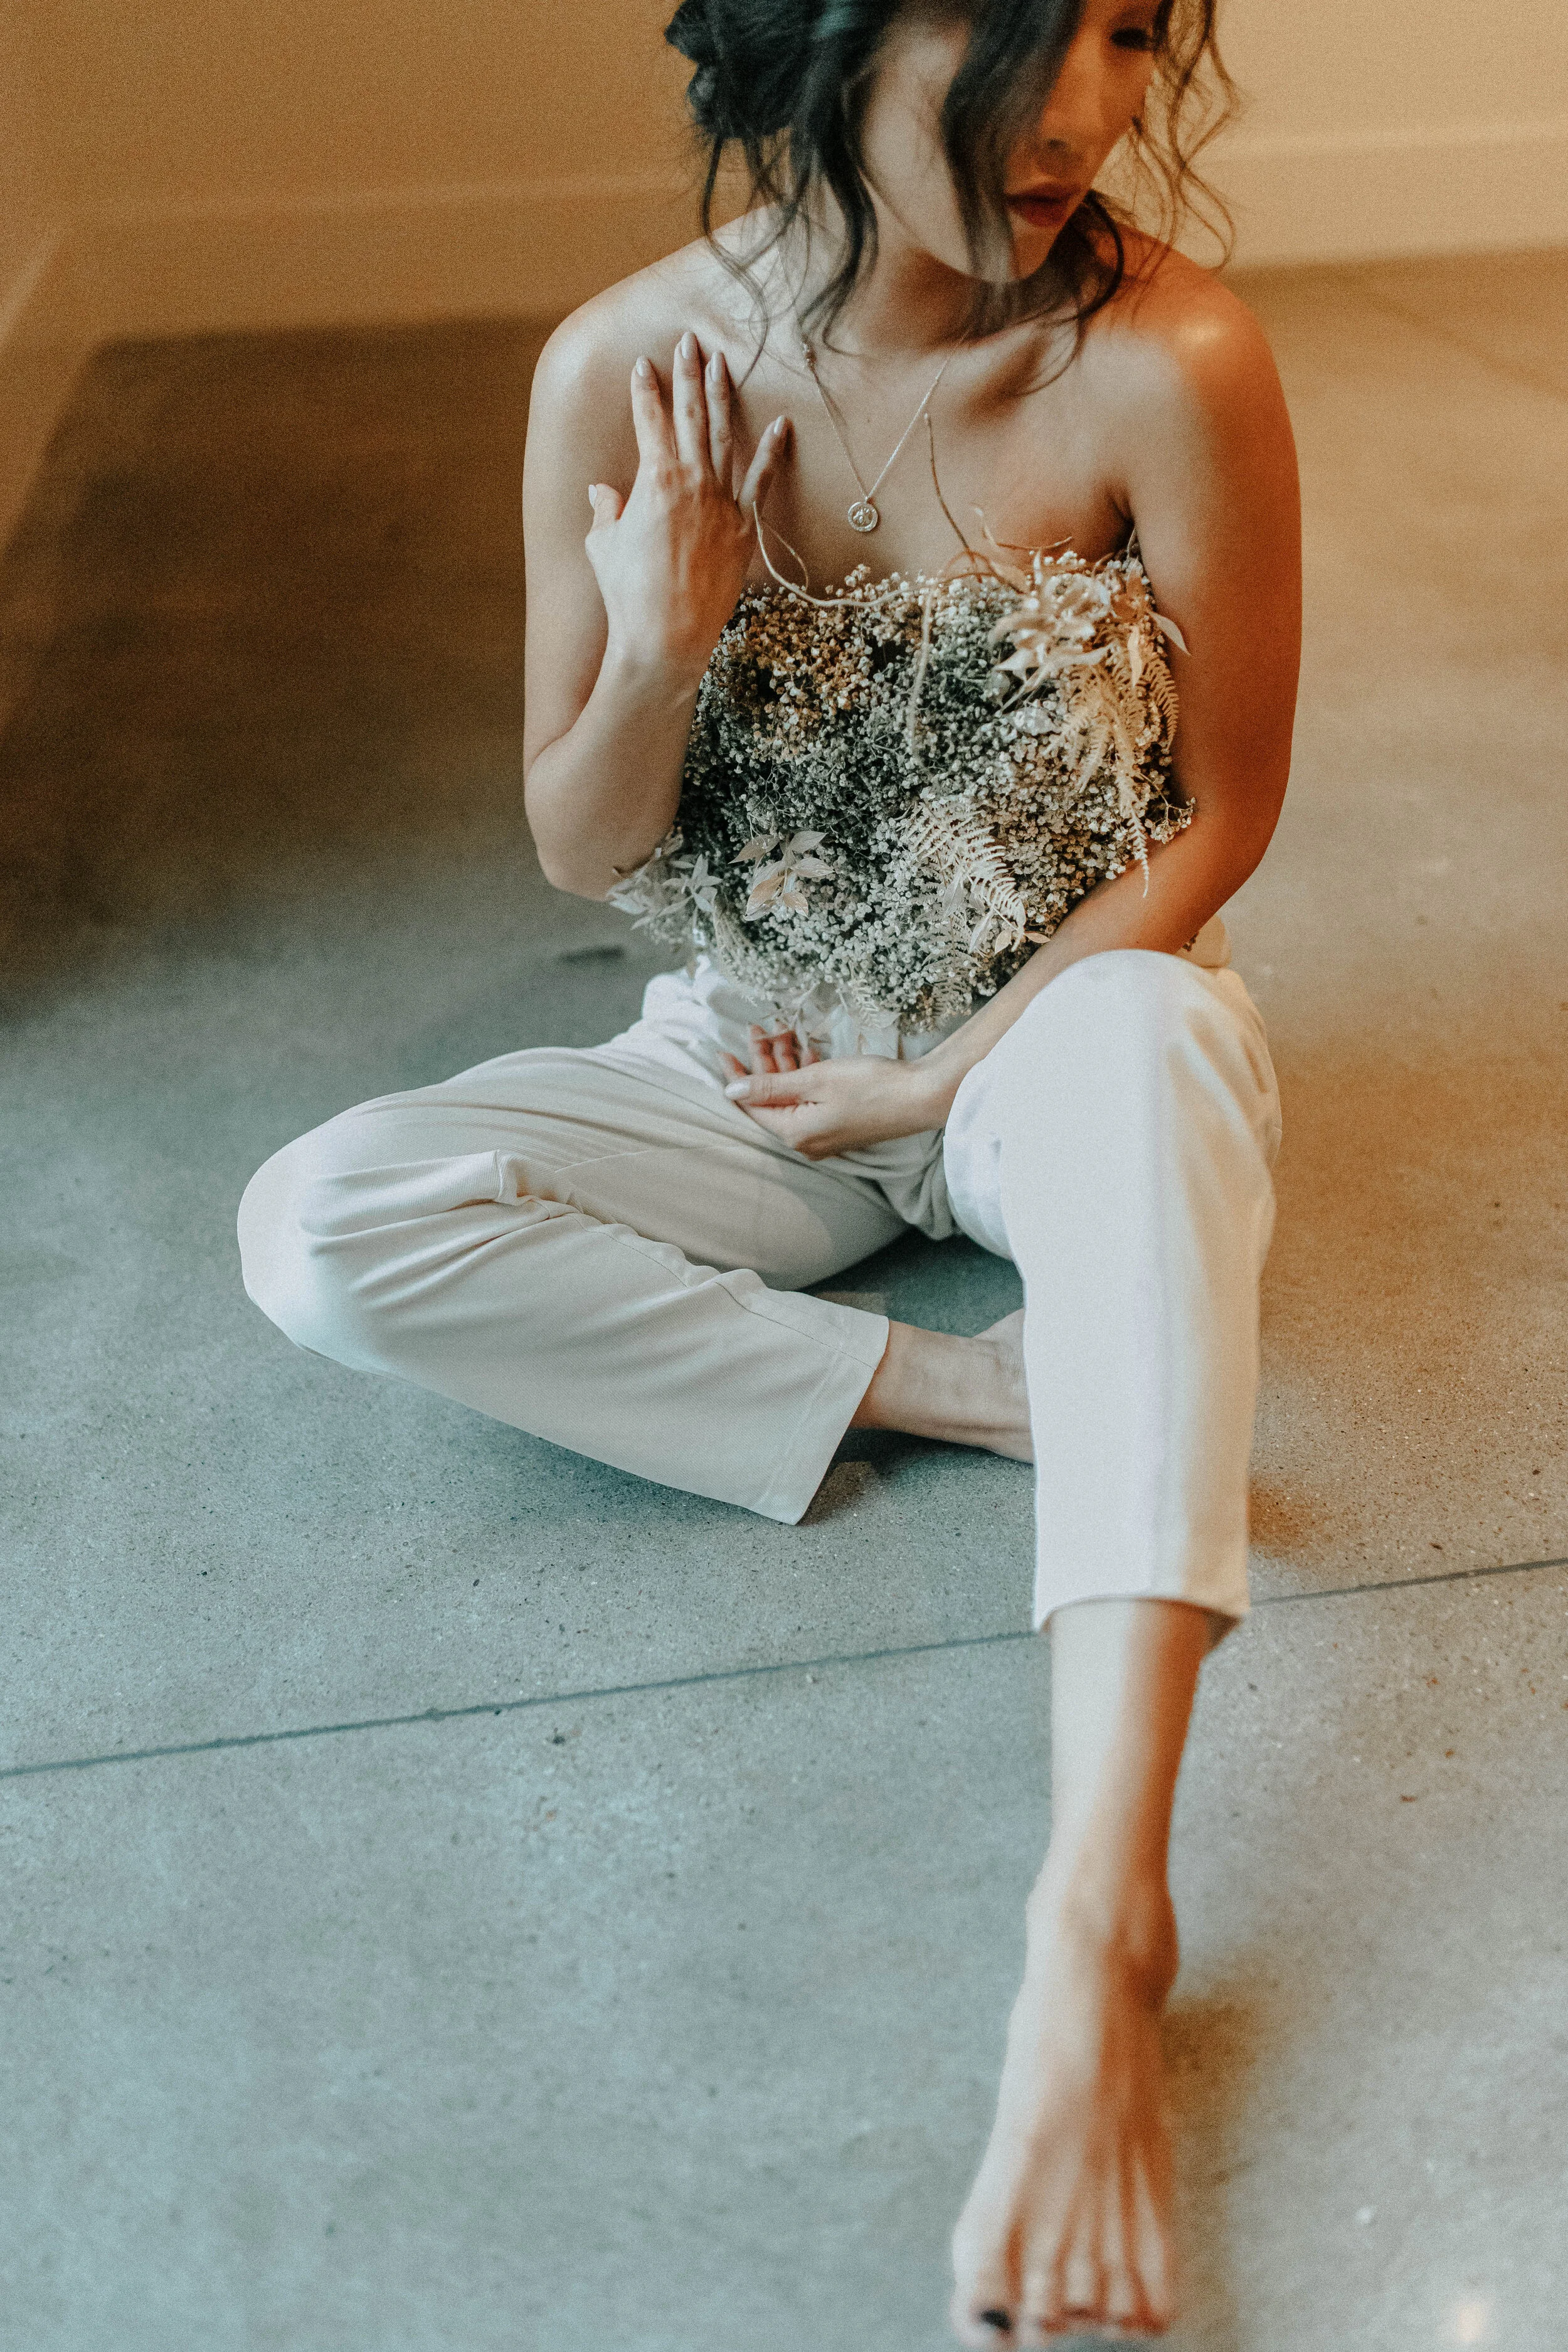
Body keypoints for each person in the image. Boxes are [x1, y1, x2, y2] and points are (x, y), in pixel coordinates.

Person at [238, 0, 1301, 2335]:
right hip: (753, 1054)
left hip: (1040, 1050)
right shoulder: (621, 370)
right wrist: (668, 634)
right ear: (821, 31)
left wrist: (936, 1095)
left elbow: (1222, 816)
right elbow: (584, 835)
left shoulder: (1172, 361)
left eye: (1132, 28)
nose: (1092, 112)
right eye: (1027, 31)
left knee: (1148, 1048)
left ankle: (1097, 1924)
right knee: (316, 1219)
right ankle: (974, 1392)